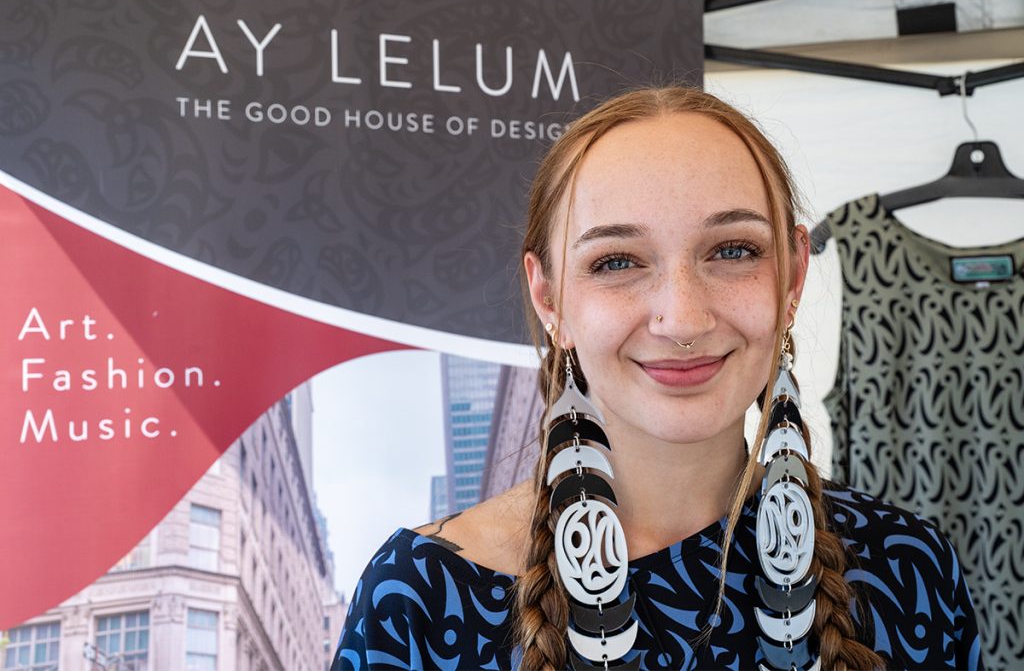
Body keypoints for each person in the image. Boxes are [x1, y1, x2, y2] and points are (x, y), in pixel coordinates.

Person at [330, 86, 982, 670]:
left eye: (733, 250)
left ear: (792, 280)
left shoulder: (908, 567)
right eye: (617, 261)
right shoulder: (419, 597)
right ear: (550, 299)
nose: (683, 318)